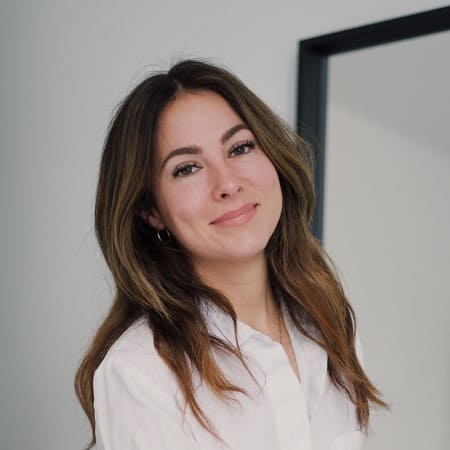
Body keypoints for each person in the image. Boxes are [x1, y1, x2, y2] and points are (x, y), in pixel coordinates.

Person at [75, 59, 386, 450]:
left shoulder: (331, 325)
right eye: (187, 168)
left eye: (240, 148)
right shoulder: (140, 371)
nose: (228, 183)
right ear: (150, 210)